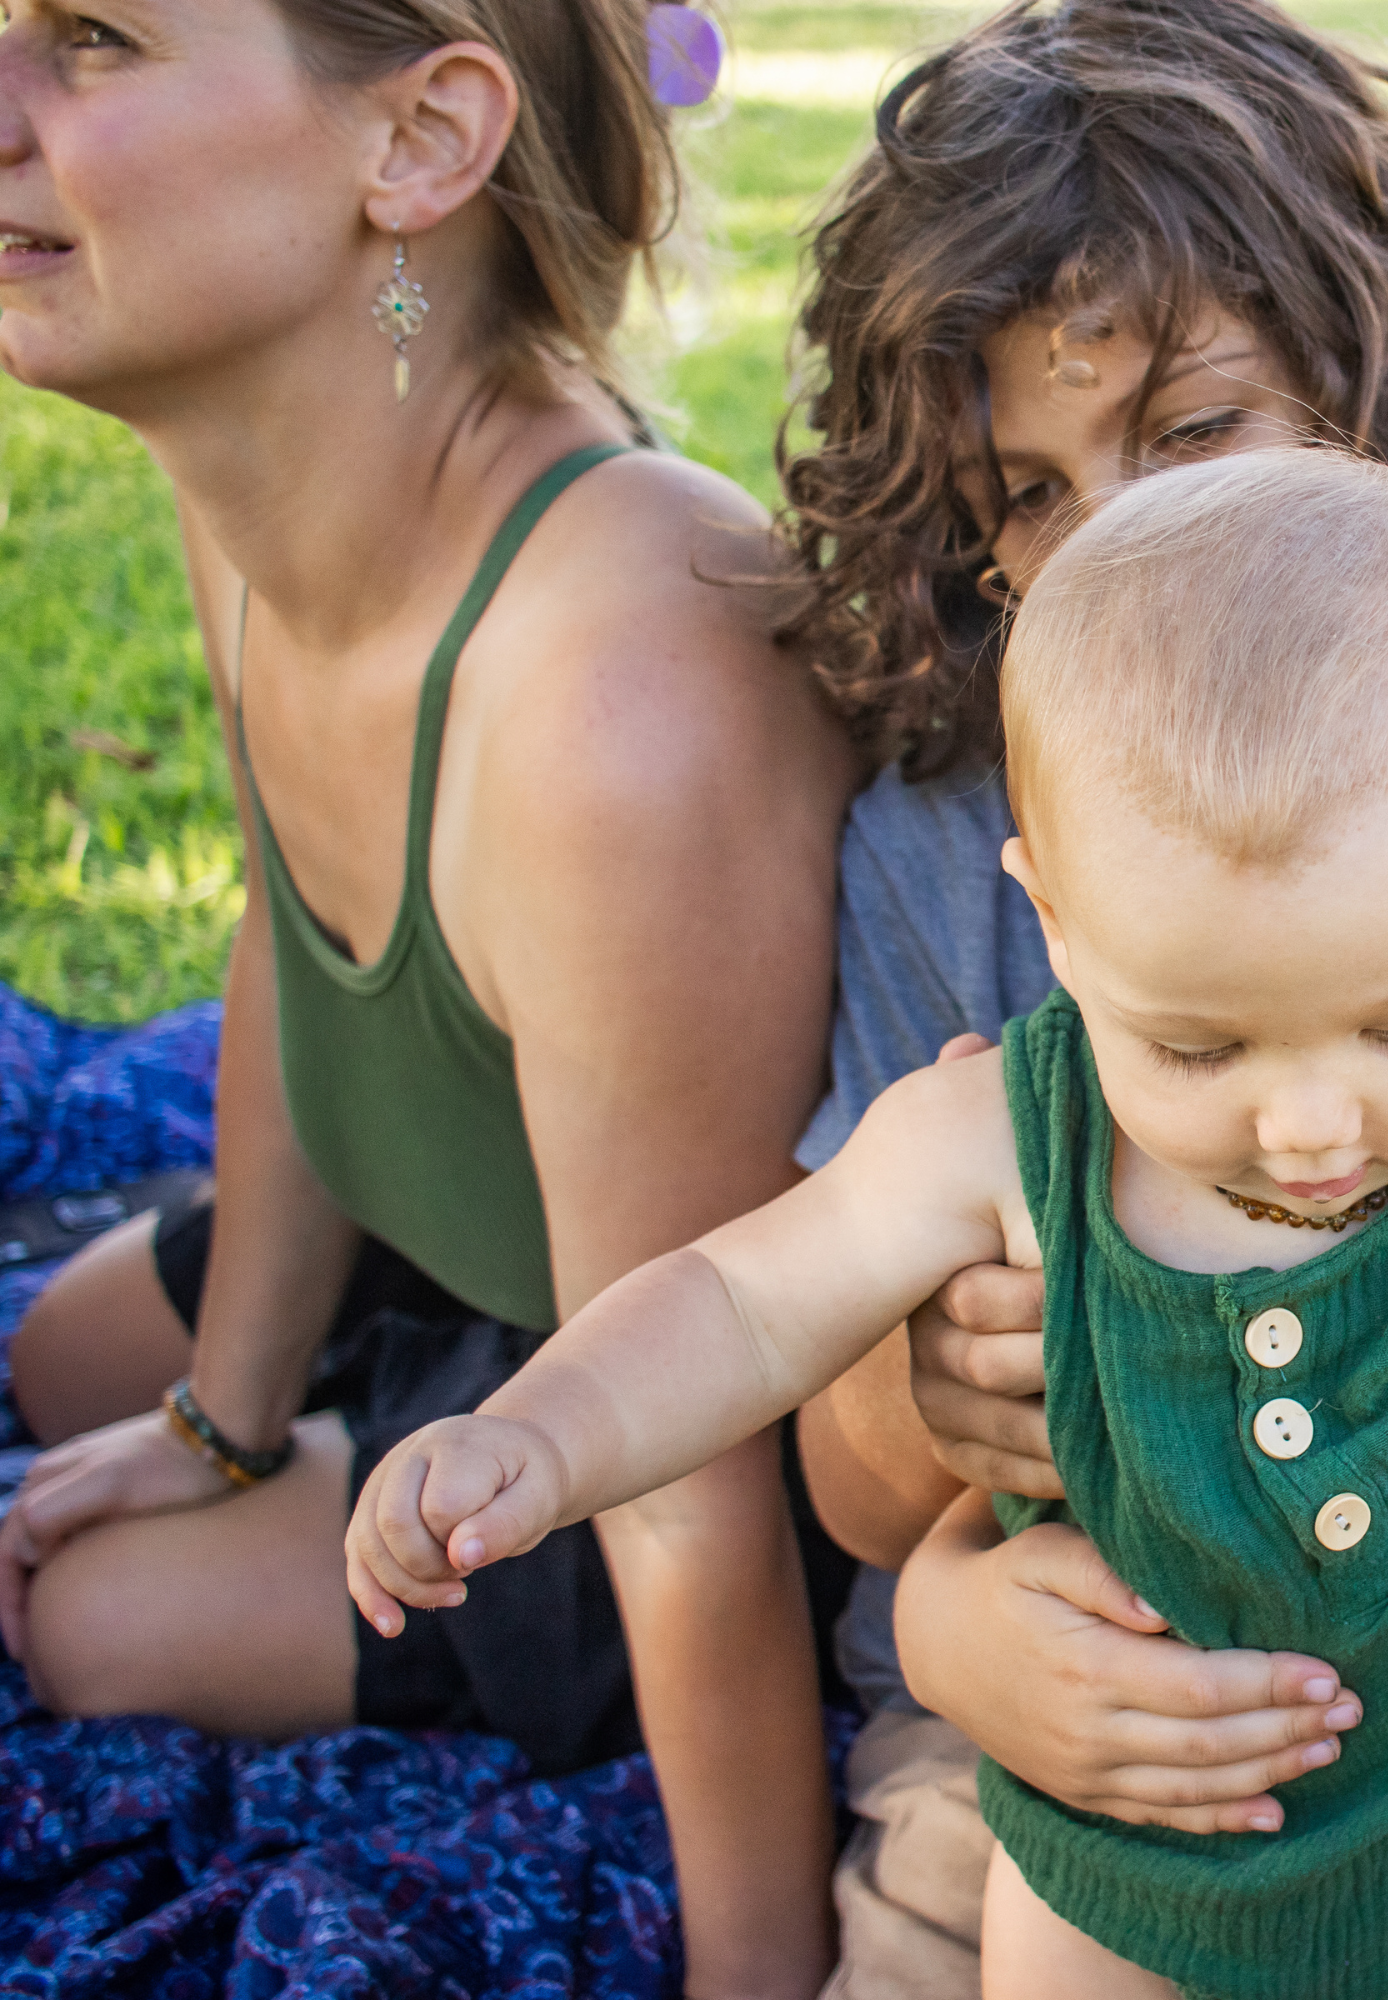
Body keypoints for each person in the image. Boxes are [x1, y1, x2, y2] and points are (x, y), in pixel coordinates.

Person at [348, 450, 1388, 2000]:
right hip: (1117, 1861)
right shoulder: (998, 1136)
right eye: (1199, 1047)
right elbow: (744, 1306)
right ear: (1055, 918)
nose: (1313, 1124)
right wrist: (540, 1435)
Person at [763, 6, 1388, 1989]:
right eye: (1028, 489)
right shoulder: (950, 859)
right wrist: (942, 1522)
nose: (1117, 533)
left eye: (1192, 432)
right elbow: (841, 1472)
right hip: (1053, 1732)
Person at [0, 3, 861, 1990]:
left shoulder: (617, 691)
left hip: (660, 1393)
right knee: (66, 1364)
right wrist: (222, 1412)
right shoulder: (276, 474)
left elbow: (696, 1449)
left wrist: (758, 1968)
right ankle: (284, 1420)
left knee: (86, 1617)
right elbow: (298, 949)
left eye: (94, 41)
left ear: (419, 142)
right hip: (473, 1206)